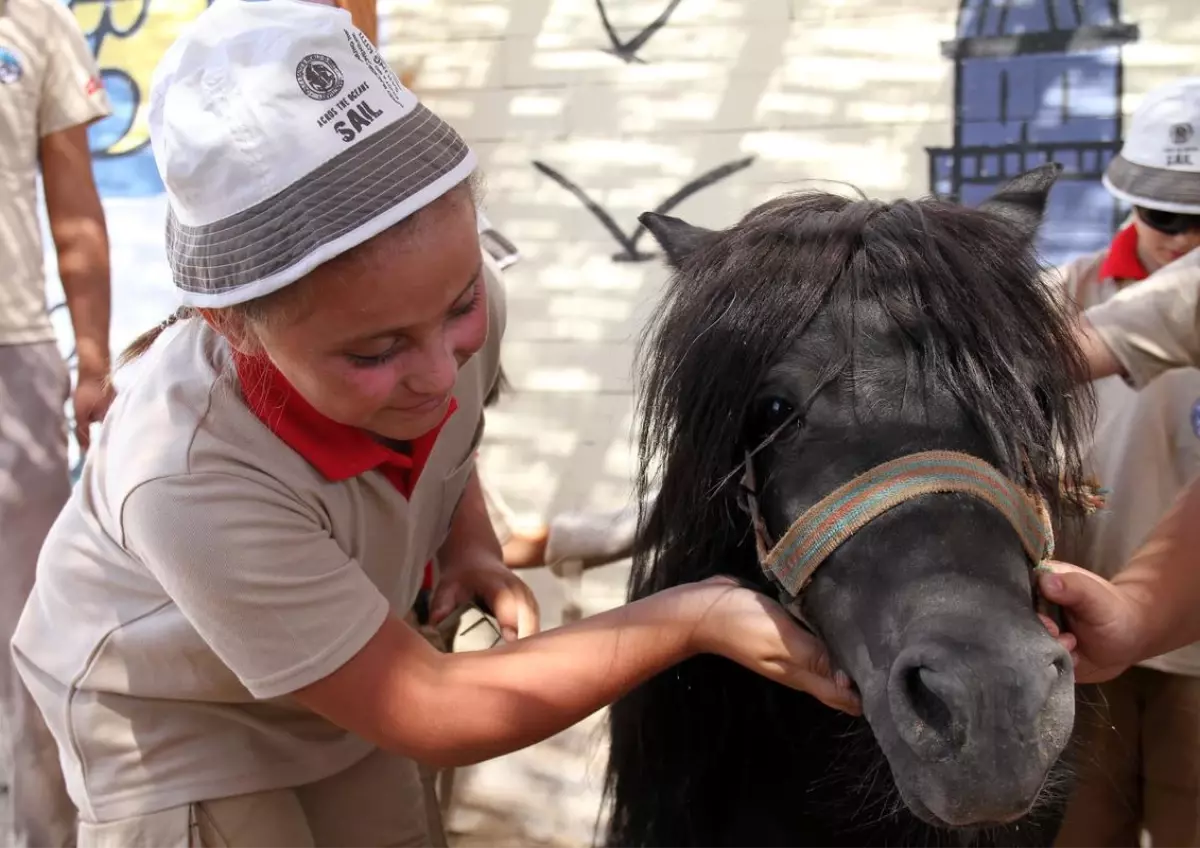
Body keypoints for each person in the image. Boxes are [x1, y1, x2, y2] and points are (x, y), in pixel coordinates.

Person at [8, 3, 859, 845]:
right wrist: (690, 619)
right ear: (234, 327)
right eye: (373, 353)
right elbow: (426, 706)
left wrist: (468, 545)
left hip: (346, 674)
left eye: (455, 311)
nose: (437, 371)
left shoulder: (466, 304)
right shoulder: (187, 475)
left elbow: (450, 441)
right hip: (176, 712)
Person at [1038, 76, 1200, 847]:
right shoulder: (1062, 297)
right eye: (1162, 213)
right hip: (1082, 645)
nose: (1177, 236)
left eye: (1197, 217)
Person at [0, 1, 114, 844]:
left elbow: (73, 203)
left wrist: (95, 359)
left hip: (14, 358)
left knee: (33, 642)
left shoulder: (36, 21)